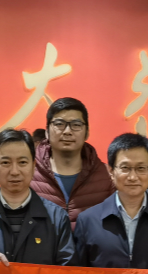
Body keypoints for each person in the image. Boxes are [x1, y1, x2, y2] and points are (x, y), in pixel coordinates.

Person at [0, 129, 73, 265]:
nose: (15, 171)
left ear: (34, 166)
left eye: (22, 162)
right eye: (5, 163)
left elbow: (68, 273)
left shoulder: (57, 217)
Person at [75, 133, 148, 269]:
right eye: (125, 168)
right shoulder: (88, 221)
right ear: (111, 171)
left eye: (141, 168)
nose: (133, 177)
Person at [30, 98, 113, 229]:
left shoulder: (107, 176)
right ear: (47, 132)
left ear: (87, 132)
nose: (67, 131)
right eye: (59, 124)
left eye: (76, 125)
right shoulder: (29, 174)